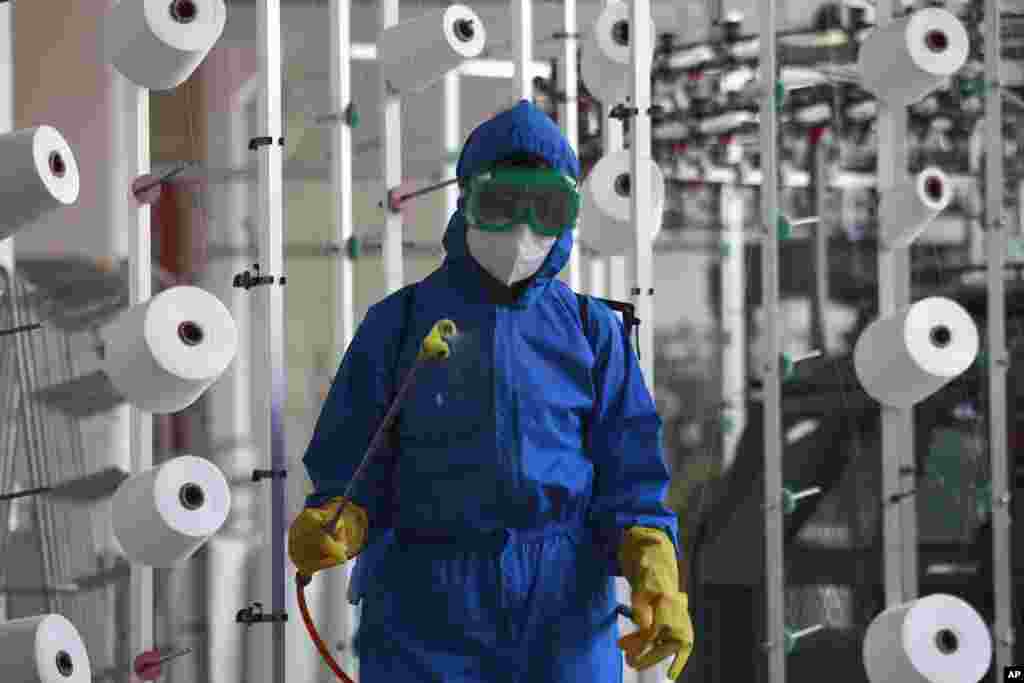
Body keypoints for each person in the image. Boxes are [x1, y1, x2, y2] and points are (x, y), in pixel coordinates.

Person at [289, 100, 694, 682]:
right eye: (501, 204)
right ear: (466, 200)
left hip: (565, 612)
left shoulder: (593, 333)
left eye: (547, 208)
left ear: (569, 216)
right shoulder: (398, 326)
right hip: (426, 609)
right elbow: (351, 463)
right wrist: (337, 519)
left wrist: (656, 570)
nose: (523, 230)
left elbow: (632, 479)